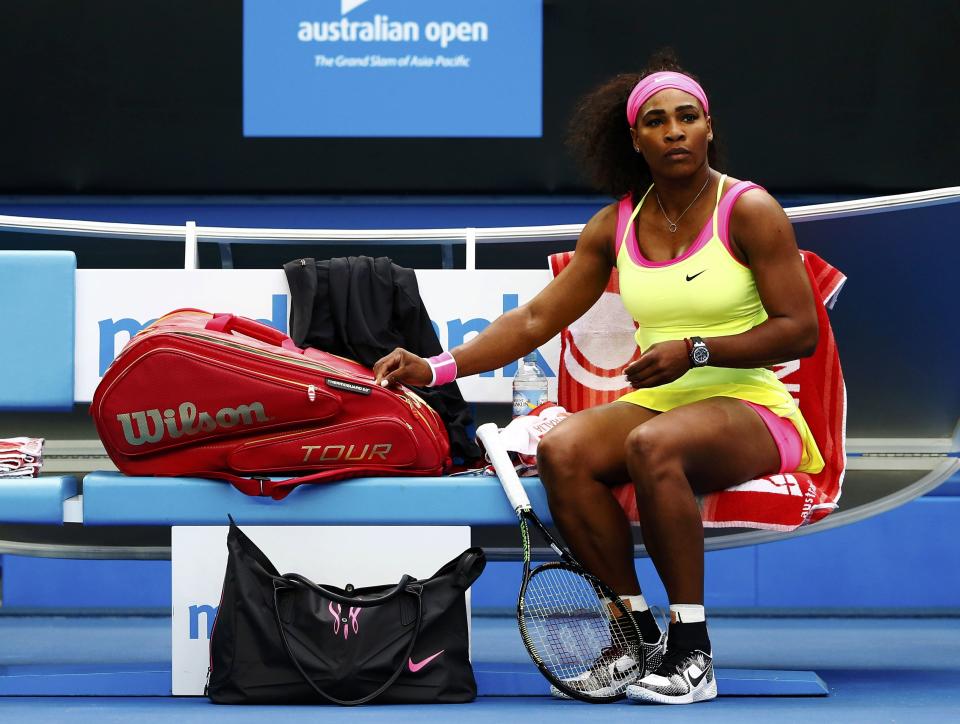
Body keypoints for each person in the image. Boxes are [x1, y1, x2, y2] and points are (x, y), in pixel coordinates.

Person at [373, 51, 824, 706]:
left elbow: (798, 331)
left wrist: (695, 351)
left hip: (752, 410)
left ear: (708, 128)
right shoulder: (616, 226)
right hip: (662, 404)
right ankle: (634, 631)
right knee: (564, 450)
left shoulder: (750, 211)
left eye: (688, 118)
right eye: (658, 122)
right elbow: (533, 319)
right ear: (634, 139)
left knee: (653, 445)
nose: (674, 131)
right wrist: (433, 366)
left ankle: (692, 654)